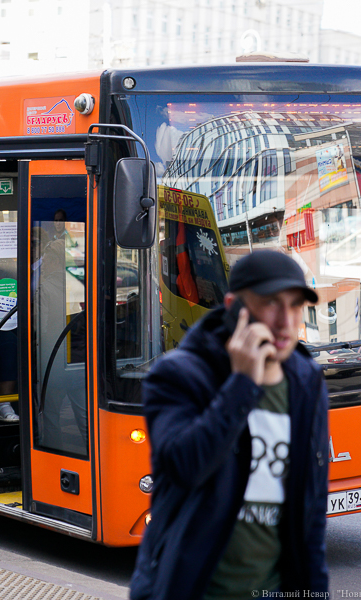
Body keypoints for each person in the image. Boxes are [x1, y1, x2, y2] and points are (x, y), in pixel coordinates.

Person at [129, 250, 328, 600]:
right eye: (271, 303)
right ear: (235, 306)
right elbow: (185, 467)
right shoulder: (179, 375)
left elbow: (310, 513)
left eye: (296, 306)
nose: (286, 321)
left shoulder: (306, 380)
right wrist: (242, 386)